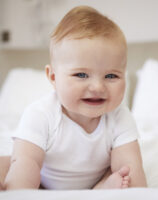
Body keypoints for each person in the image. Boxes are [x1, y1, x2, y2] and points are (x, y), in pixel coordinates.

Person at [0, 6, 147, 190]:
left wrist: (133, 184)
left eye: (111, 76)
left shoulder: (119, 117)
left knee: (122, 174)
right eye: (81, 75)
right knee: (12, 163)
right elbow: (27, 163)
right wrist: (21, 191)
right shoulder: (40, 114)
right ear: (53, 77)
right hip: (42, 180)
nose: (97, 87)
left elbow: (131, 166)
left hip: (94, 180)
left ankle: (101, 188)